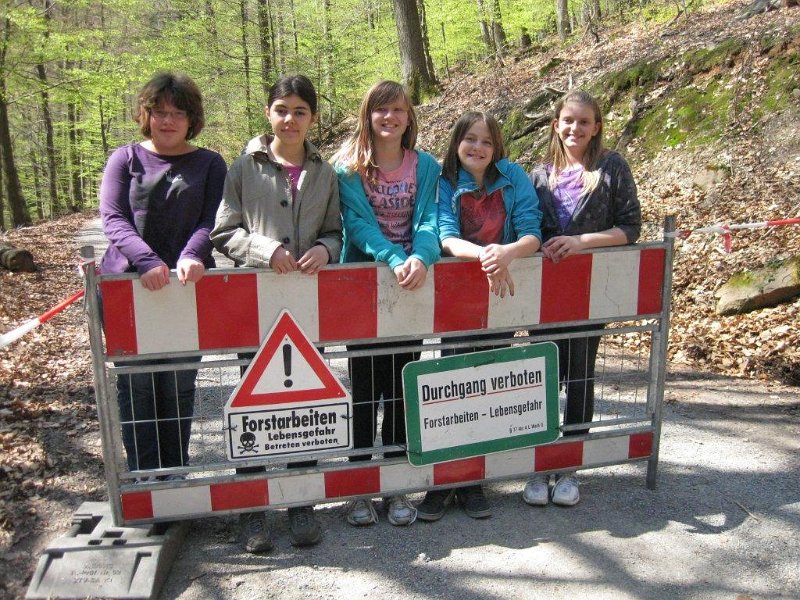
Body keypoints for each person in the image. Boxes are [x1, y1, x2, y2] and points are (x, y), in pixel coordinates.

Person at [211, 74, 342, 552]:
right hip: (258, 305)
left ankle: (301, 501)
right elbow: (223, 232)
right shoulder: (245, 168)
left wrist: (327, 250)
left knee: (305, 403)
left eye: (300, 111)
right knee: (253, 401)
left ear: (313, 118)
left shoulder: (325, 172)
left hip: (308, 306)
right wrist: (265, 250)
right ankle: (252, 508)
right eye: (282, 109)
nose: (290, 119)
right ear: (269, 113)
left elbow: (335, 231)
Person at [415, 111, 542, 522]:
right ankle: (443, 480)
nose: (478, 147)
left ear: (497, 146)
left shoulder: (514, 176)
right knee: (450, 385)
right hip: (456, 297)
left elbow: (531, 229)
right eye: (470, 138)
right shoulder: (444, 180)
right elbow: (446, 237)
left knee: (488, 384)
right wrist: (490, 255)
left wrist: (507, 252)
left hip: (499, 296)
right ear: (456, 142)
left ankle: (472, 480)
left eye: (486, 141)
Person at [99, 73, 227, 475]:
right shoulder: (126, 158)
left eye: (177, 113)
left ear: (192, 119)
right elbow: (113, 218)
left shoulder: (209, 163)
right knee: (137, 387)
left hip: (185, 290)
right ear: (146, 114)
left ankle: (174, 478)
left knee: (177, 385)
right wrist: (147, 260)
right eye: (159, 112)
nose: (167, 121)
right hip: (127, 289)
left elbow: (214, 220)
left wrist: (192, 254)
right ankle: (144, 480)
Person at [524, 89, 641, 507]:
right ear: (556, 123)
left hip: (590, 291)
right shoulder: (538, 175)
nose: (575, 128)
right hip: (543, 294)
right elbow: (528, 227)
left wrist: (581, 241)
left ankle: (569, 466)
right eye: (568, 120)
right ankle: (539, 464)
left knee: (578, 373)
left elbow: (630, 227)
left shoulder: (611, 168)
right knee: (540, 374)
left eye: (584, 121)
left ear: (596, 128)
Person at [332, 80, 441, 527]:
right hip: (366, 286)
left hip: (410, 286)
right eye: (381, 111)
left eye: (398, 110)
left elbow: (431, 217)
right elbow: (357, 225)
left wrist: (421, 255)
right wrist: (394, 257)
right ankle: (359, 487)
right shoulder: (348, 168)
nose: (389, 118)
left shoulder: (426, 166)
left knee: (401, 387)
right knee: (365, 390)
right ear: (368, 116)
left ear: (409, 117)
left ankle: (396, 485)